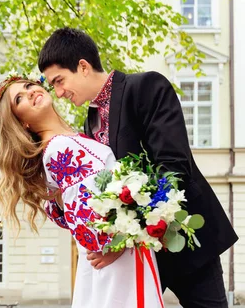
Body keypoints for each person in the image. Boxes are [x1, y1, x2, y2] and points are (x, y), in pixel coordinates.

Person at [38, 27, 238, 308]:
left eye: (59, 81)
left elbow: (173, 168)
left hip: (184, 244)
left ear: (83, 67)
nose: (58, 93)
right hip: (140, 260)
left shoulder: (145, 87)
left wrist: (122, 242)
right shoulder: (90, 121)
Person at [0, 74, 164, 308]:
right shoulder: (59, 148)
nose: (30, 92)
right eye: (20, 99)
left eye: (29, 86)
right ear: (22, 122)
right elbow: (82, 219)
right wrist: (116, 244)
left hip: (117, 255)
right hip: (116, 258)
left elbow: (67, 213)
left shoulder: (70, 140)